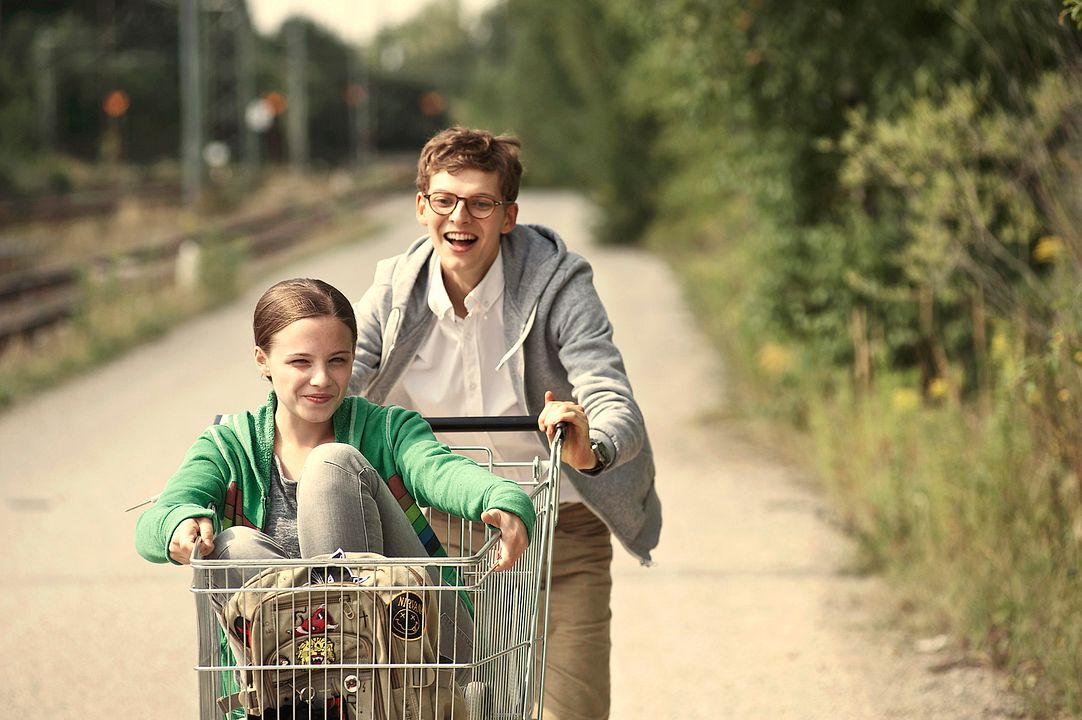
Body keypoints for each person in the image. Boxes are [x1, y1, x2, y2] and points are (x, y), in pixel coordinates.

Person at [349, 127, 661, 720]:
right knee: (432, 707)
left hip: (558, 534)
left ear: (508, 214)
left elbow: (608, 388)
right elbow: (337, 376)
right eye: (444, 199)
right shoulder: (392, 292)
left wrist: (589, 443)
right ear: (422, 206)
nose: (459, 217)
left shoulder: (559, 285)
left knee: (573, 711)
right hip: (437, 536)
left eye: (480, 203)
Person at [134, 276, 535, 579]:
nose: (323, 379)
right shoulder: (227, 446)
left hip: (410, 639)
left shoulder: (389, 430)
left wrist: (500, 497)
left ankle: (346, 661)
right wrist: (177, 525)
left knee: (332, 464)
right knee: (231, 545)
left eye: (338, 360)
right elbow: (155, 521)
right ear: (262, 360)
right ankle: (319, 675)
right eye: (301, 362)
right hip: (284, 669)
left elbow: (440, 470)